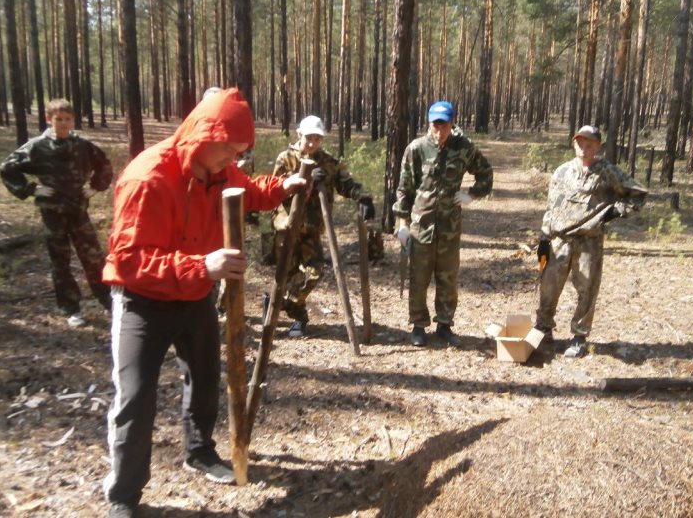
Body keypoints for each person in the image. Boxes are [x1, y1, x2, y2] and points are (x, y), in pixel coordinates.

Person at [101, 88, 305, 518]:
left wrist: (282, 187)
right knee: (136, 399)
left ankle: (200, 452)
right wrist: (203, 266)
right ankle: (124, 494)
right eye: (229, 149)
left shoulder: (223, 173)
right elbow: (130, 260)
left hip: (195, 297)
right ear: (204, 135)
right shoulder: (149, 177)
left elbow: (248, 192)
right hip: (143, 302)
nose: (234, 159)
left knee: (206, 380)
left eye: (238, 152)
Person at [535, 125, 647, 358]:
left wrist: (614, 212)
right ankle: (544, 328)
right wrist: (544, 237)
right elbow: (551, 205)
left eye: (589, 145)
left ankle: (579, 336)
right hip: (560, 239)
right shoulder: (562, 171)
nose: (584, 149)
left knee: (587, 289)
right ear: (574, 144)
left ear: (597, 146)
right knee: (549, 285)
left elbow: (638, 194)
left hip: (589, 241)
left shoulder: (607, 171)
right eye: (580, 144)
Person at [0, 98, 112, 327]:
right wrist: (31, 188)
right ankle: (72, 309)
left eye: (67, 119)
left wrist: (95, 186)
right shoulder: (37, 146)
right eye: (58, 119)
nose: (63, 123)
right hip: (53, 214)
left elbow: (104, 164)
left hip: (78, 211)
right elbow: (8, 169)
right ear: (48, 119)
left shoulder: (82, 145)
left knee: (93, 258)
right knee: (60, 262)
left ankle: (110, 303)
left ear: (73, 120)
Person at [393, 101, 493, 348]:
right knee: (419, 278)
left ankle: (445, 325)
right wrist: (402, 223)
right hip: (421, 226)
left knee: (447, 277)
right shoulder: (416, 149)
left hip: (449, 226)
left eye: (445, 125)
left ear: (452, 123)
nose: (440, 131)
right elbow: (404, 189)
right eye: (436, 125)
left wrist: (472, 194)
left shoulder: (464, 148)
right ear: (429, 124)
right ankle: (418, 325)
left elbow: (486, 173)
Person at [271, 114, 375, 338]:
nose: (312, 143)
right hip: (287, 227)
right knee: (286, 274)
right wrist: (305, 178)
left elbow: (345, 184)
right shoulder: (286, 158)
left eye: (317, 139)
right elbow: (277, 191)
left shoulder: (328, 162)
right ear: (300, 135)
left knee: (314, 272)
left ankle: (283, 304)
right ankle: (298, 317)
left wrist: (364, 197)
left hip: (311, 228)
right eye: (309, 138)